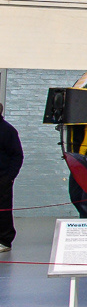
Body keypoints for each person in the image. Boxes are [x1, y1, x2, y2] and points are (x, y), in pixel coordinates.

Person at [0, 104, 23, 252]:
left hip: (2, 177)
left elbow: (17, 155)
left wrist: (9, 177)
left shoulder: (7, 130)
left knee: (3, 210)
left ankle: (4, 240)